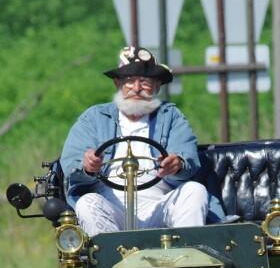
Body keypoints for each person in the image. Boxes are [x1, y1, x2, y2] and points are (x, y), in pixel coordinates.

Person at [60, 46, 210, 235]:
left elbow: (187, 157)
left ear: (156, 86)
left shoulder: (171, 116)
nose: (137, 88)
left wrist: (176, 164)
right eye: (129, 81)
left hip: (160, 205)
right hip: (111, 207)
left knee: (194, 190)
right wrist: (88, 166)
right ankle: (110, 260)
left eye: (145, 82)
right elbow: (71, 165)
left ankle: (186, 259)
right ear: (118, 84)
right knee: (86, 203)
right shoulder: (94, 117)